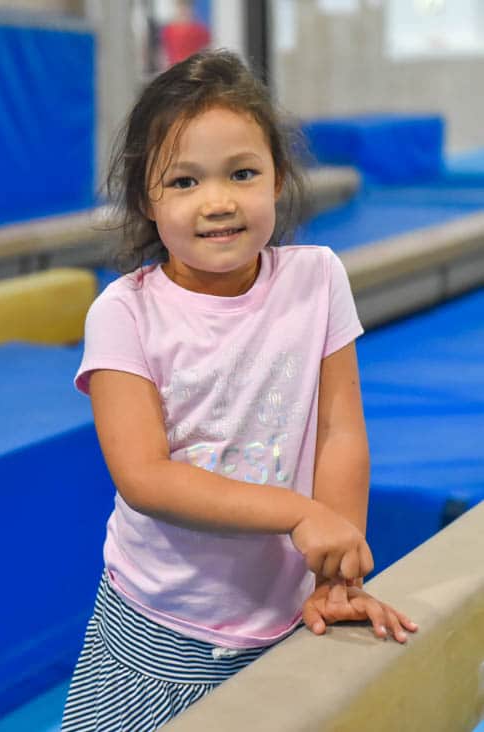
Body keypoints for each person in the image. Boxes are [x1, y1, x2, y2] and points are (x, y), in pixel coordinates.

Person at [61, 50, 418, 732]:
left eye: (243, 173)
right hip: (160, 632)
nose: (218, 201)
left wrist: (337, 571)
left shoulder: (315, 280)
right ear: (145, 197)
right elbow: (144, 476)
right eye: (185, 181)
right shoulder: (127, 314)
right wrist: (294, 512)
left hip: (285, 617)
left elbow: (342, 429)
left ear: (278, 179)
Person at [160, 0, 210, 67]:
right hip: (174, 67)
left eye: (185, 6)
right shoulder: (168, 29)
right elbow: (165, 52)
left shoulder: (200, 30)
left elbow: (205, 50)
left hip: (193, 66)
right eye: (180, 6)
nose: (183, 9)